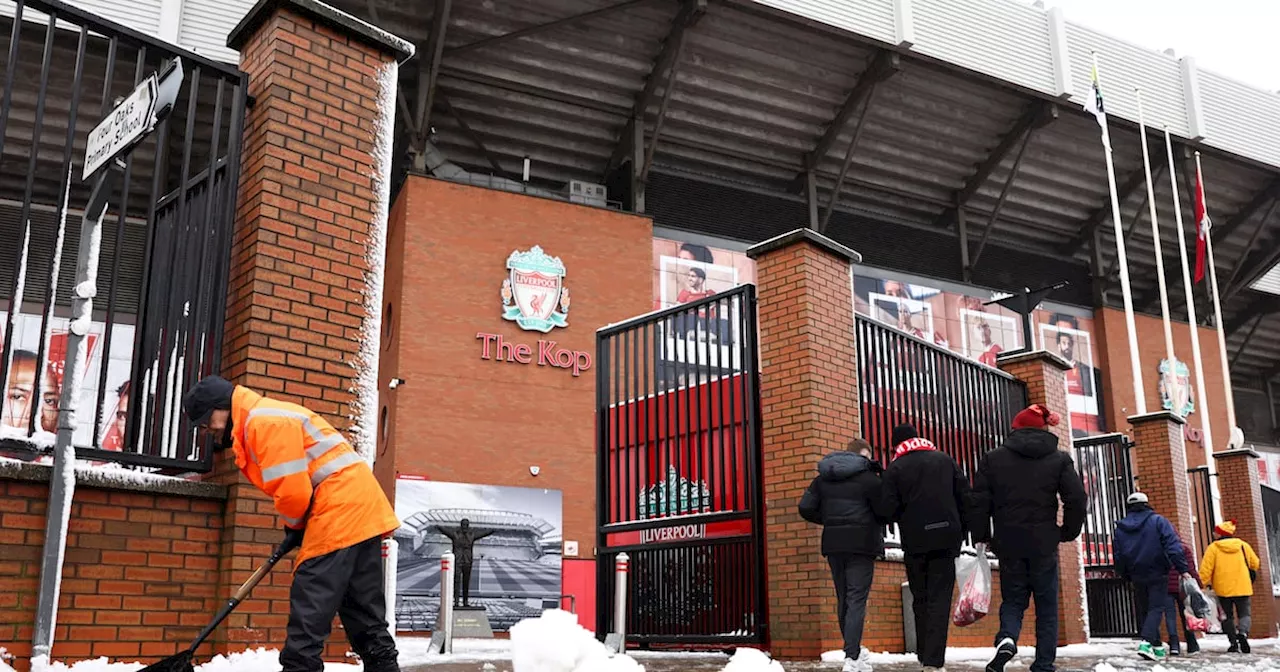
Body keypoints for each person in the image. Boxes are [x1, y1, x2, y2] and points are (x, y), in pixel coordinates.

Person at [183, 376, 401, 672]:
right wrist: (297, 527)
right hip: (362, 511)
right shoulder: (264, 417)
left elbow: (294, 491)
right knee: (362, 609)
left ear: (221, 407)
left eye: (205, 422)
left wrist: (295, 526)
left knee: (310, 606)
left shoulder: (262, 423)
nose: (207, 430)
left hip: (338, 510)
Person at [972, 404, 1086, 672]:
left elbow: (978, 501)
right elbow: (1077, 498)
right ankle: (1043, 663)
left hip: (1008, 541)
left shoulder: (993, 458)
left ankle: (1007, 638)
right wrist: (1067, 531)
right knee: (1047, 605)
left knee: (1013, 599)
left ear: (1016, 428)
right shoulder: (1059, 459)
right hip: (1044, 542)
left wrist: (982, 536)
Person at [882, 424, 970, 672]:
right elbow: (965, 497)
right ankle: (933, 661)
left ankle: (923, 654)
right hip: (946, 538)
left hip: (916, 541)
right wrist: (963, 531)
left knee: (920, 597)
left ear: (897, 444)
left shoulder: (896, 467)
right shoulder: (945, 460)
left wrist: (905, 518)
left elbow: (887, 509)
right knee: (939, 599)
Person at [799, 438, 888, 672]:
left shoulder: (823, 479)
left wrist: (830, 521)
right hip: (862, 545)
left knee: (844, 598)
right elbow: (885, 511)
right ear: (861, 456)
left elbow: (805, 508)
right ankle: (852, 656)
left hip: (834, 544)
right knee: (856, 598)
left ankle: (852, 650)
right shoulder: (869, 479)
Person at [1112, 492, 1191, 662]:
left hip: (1136, 573)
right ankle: (1146, 642)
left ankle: (1156, 647)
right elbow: (1173, 547)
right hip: (1157, 571)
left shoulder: (1121, 528)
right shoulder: (1158, 521)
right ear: (1147, 504)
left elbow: (1118, 555)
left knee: (1145, 609)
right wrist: (1183, 569)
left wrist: (1125, 575)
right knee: (1156, 608)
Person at [1200, 519, 1262, 654]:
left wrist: (1202, 584)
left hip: (1223, 589)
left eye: (1216, 532)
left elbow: (1206, 569)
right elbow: (1255, 563)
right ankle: (1243, 633)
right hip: (1243, 586)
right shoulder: (1243, 546)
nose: (1213, 533)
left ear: (1221, 534)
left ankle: (1233, 643)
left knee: (1226, 616)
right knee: (1244, 613)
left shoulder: (1213, 548)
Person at [433, 519, 495, 608]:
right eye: (464, 524)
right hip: (457, 561)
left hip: (467, 561)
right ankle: (456, 602)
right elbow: (445, 531)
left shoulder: (471, 535)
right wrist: (438, 527)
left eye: (466, 524)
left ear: (468, 525)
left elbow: (483, 533)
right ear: (461, 525)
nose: (465, 526)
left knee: (466, 582)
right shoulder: (455, 534)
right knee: (456, 581)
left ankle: (465, 602)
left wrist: (492, 530)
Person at [1165, 534, 1201, 655]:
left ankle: (1174, 644)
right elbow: (1191, 568)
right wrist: (1198, 584)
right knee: (1186, 613)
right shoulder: (1184, 548)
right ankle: (1192, 644)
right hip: (1183, 587)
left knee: (1170, 616)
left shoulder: (1161, 548)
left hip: (1166, 586)